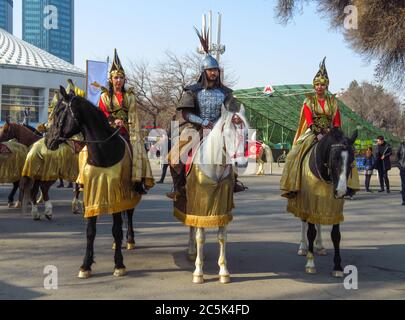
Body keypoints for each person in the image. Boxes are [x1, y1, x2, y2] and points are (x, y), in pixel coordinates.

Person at [167, 29, 245, 200]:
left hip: (219, 129)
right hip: (195, 128)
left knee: (233, 150)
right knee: (174, 157)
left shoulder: (225, 92)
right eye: (210, 70)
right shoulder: (193, 90)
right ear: (204, 71)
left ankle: (234, 181)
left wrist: (235, 118)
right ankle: (179, 187)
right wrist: (202, 121)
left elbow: (231, 110)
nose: (214, 73)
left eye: (216, 70)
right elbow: (186, 113)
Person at [280, 58, 342, 198]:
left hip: (330, 132)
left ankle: (347, 185)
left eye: (322, 84)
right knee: (294, 153)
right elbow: (309, 120)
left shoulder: (333, 101)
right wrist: (318, 133)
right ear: (314, 86)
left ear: (327, 86)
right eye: (317, 84)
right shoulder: (308, 100)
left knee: (345, 152)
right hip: (313, 131)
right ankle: (293, 186)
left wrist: (334, 132)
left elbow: (336, 121)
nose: (320, 87)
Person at [98, 49, 155, 192]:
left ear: (124, 80)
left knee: (138, 149)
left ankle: (138, 181)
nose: (118, 80)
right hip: (108, 129)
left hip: (126, 129)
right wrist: (113, 120)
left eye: (121, 78)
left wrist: (128, 125)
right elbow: (102, 112)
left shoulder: (130, 96)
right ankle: (88, 178)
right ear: (111, 80)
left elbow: (133, 113)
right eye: (116, 78)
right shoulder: (104, 96)